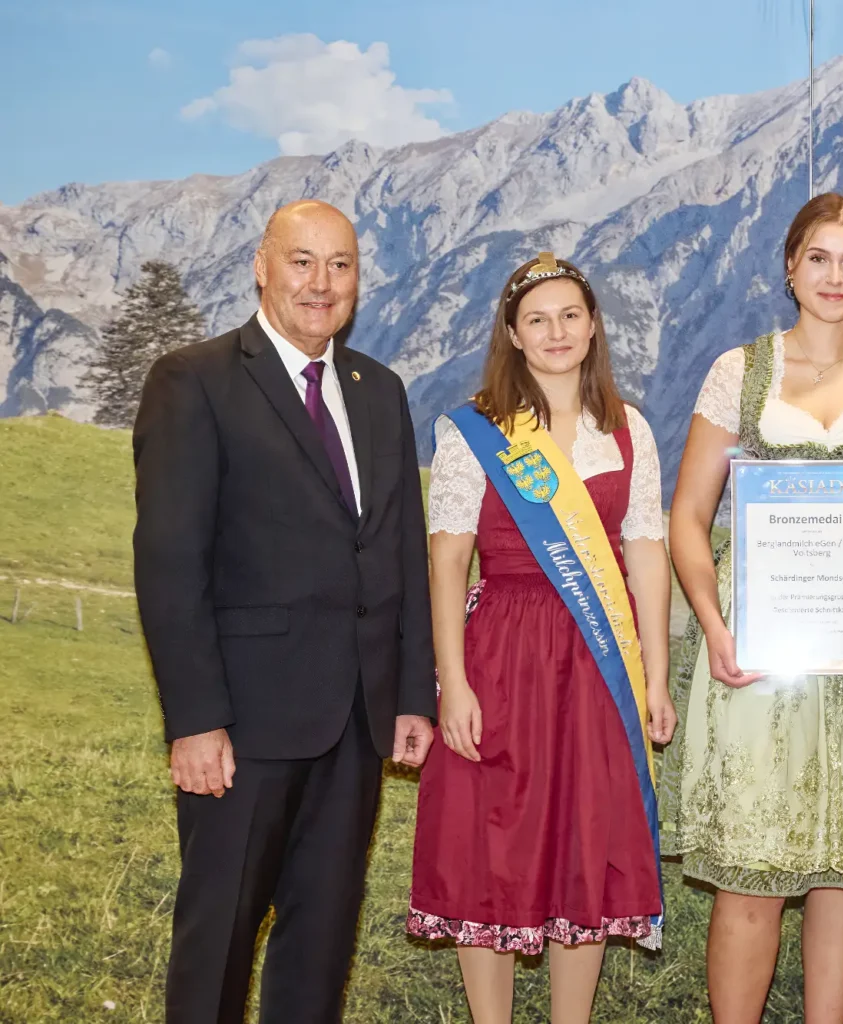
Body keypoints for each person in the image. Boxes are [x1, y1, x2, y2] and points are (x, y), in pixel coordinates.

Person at [132, 199, 437, 1023]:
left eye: (340, 265)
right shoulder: (193, 380)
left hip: (357, 723)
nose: (321, 283)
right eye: (301, 261)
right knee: (218, 940)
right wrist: (195, 719)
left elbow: (400, 547)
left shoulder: (380, 390)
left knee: (321, 943)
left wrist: (414, 693)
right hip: (243, 727)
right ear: (261, 266)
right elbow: (169, 563)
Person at [661, 193, 843, 1024]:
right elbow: (687, 517)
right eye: (818, 258)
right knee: (751, 868)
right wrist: (715, 628)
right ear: (790, 266)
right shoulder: (739, 371)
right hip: (761, 647)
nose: (834, 276)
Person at [407, 253, 675, 1024]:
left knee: (582, 839)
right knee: (489, 837)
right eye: (537, 319)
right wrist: (451, 682)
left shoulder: (630, 431)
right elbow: (449, 557)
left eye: (570, 315)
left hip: (598, 662)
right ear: (513, 335)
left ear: (593, 326)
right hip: (501, 653)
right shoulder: (475, 430)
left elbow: (646, 555)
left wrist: (654, 678)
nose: (556, 332)